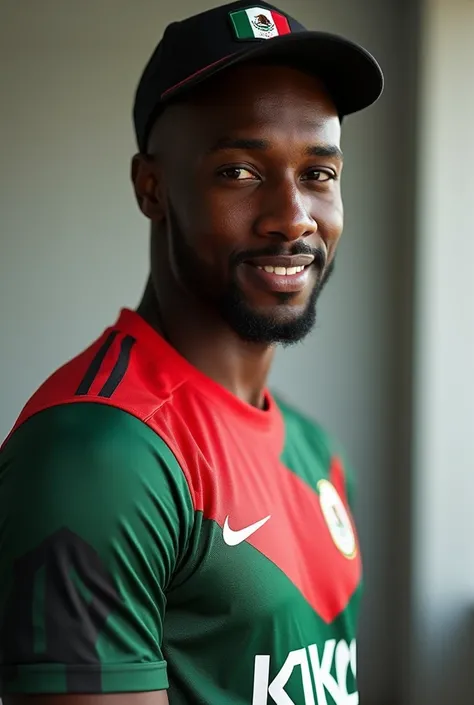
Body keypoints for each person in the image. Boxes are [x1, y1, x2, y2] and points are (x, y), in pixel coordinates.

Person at [0, 2, 383, 703]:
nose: (293, 214)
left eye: (319, 173)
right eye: (239, 171)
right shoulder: (99, 455)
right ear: (152, 188)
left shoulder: (316, 451)